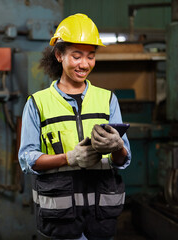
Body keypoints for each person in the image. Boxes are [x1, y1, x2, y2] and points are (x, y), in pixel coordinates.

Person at [18, 13, 131, 240]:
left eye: (90, 56)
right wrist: (69, 158)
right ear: (59, 55)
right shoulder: (37, 103)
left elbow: (123, 160)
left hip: (101, 219)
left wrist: (117, 146)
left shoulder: (108, 99)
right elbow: (27, 159)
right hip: (61, 220)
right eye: (76, 56)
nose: (84, 64)